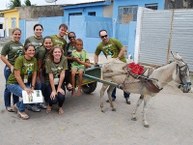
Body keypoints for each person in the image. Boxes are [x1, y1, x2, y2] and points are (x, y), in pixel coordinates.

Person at [94, 29, 130, 104]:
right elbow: (96, 54)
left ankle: (127, 97)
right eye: (102, 36)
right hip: (112, 65)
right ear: (100, 37)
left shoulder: (114, 41)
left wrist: (118, 57)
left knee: (125, 80)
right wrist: (96, 63)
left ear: (107, 35)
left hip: (121, 63)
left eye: (105, 36)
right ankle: (113, 96)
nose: (104, 37)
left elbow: (123, 48)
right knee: (112, 80)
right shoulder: (100, 45)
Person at [6, 43, 37, 119]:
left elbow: (34, 74)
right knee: (26, 95)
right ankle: (21, 110)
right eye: (29, 50)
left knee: (31, 95)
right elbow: (17, 75)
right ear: (25, 51)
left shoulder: (34, 60)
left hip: (24, 82)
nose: (32, 52)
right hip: (13, 83)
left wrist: (32, 86)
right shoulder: (20, 59)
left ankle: (17, 105)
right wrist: (25, 88)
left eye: (33, 50)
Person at [1, 28, 23, 112]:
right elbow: (2, 56)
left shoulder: (21, 44)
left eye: (19, 34)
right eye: (15, 34)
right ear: (12, 34)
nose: (17, 36)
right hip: (9, 69)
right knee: (8, 87)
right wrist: (10, 66)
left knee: (16, 87)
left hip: (18, 69)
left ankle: (15, 104)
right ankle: (7, 105)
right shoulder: (8, 44)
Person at [24, 23, 45, 111]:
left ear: (42, 30)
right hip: (28, 66)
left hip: (39, 66)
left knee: (39, 84)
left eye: (40, 29)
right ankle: (30, 104)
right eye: (37, 29)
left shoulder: (44, 40)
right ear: (34, 30)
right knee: (29, 84)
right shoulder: (29, 39)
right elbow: (24, 50)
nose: (38, 31)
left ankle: (38, 102)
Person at [44, 46, 67, 115]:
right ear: (52, 54)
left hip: (59, 81)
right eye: (55, 52)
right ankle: (50, 105)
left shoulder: (64, 59)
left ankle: (60, 107)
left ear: (61, 53)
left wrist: (59, 88)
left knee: (61, 96)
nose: (57, 53)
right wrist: (54, 90)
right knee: (53, 98)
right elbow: (50, 76)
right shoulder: (48, 61)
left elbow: (62, 74)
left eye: (59, 52)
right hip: (51, 82)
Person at [37, 36, 53, 105]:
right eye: (46, 43)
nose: (48, 44)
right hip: (39, 70)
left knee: (46, 84)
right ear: (43, 43)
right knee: (41, 85)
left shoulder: (50, 50)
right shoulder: (42, 50)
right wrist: (38, 74)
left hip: (46, 70)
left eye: (50, 43)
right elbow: (39, 63)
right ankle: (38, 102)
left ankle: (46, 100)